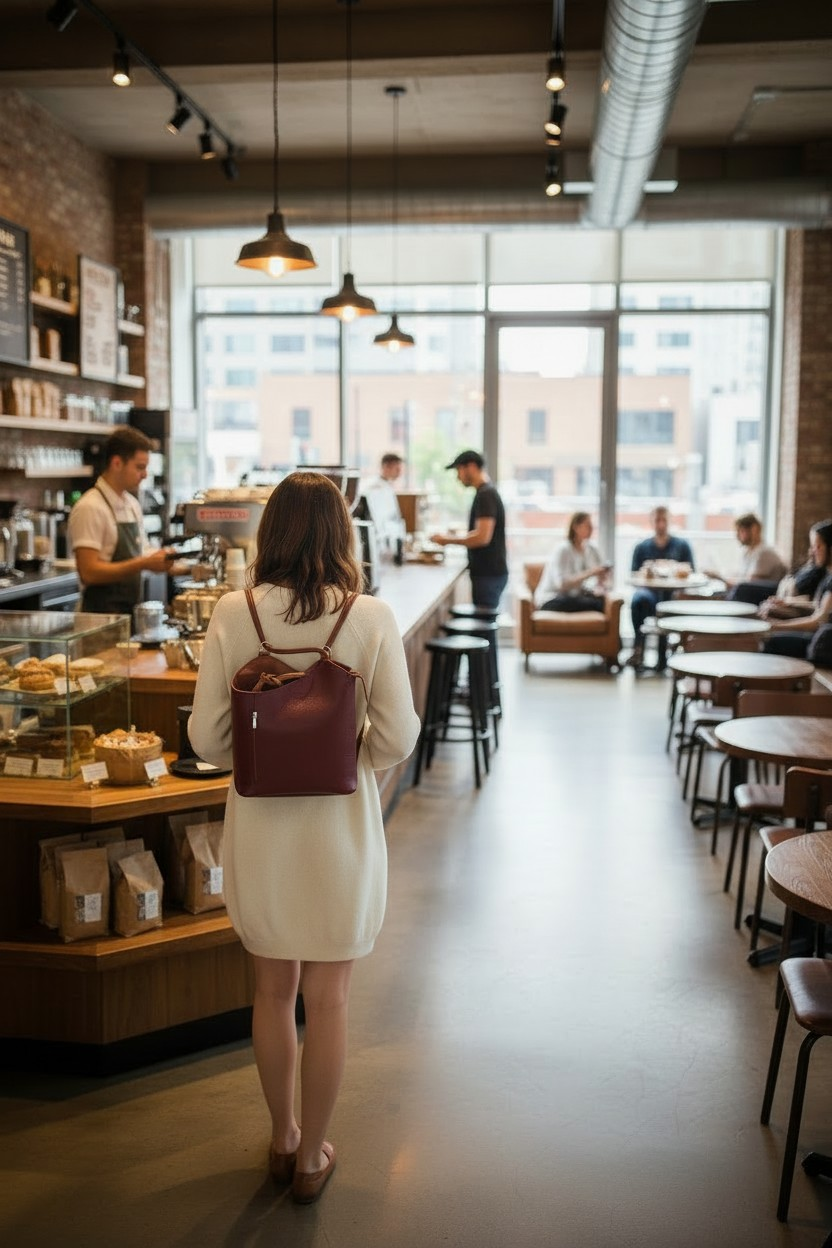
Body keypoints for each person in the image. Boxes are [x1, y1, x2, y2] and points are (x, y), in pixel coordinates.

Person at [188, 471, 420, 1205]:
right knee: (331, 998)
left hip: (259, 831)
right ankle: (316, 1153)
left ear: (271, 532)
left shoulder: (234, 610)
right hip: (339, 835)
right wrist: (345, 755)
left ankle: (284, 1138)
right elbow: (399, 736)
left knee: (271, 989)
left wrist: (263, 751)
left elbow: (206, 738)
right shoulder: (371, 617)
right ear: (342, 533)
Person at [68, 425, 178, 615]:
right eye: (140, 467)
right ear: (117, 463)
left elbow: (141, 551)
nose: (145, 475)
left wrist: (174, 562)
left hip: (128, 614)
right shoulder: (90, 506)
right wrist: (143, 563)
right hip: (98, 618)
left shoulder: (131, 504)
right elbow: (88, 572)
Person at [430, 450, 507, 609]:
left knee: (484, 626)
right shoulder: (485, 492)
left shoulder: (485, 495)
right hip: (490, 573)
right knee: (484, 624)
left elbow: (482, 537)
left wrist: (446, 540)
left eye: (459, 470)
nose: (458, 477)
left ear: (471, 467)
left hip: (488, 574)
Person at [628, 505, 695, 670]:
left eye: (664, 520)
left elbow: (691, 572)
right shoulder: (641, 547)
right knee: (638, 600)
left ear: (670, 521)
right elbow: (634, 575)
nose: (661, 524)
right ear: (651, 522)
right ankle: (638, 648)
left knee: (668, 601)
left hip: (675, 592)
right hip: (649, 592)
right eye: (657, 520)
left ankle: (664, 656)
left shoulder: (682, 546)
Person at [761, 518, 832, 658]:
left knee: (771, 641)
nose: (813, 552)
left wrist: (777, 626)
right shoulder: (828, 575)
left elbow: (819, 620)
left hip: (823, 643)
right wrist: (788, 602)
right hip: (819, 637)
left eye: (818, 547)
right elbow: (820, 605)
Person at [534, 511, 610, 612]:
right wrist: (591, 573)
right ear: (575, 527)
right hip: (552, 599)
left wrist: (600, 576)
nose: (591, 529)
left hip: (571, 597)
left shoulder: (587, 549)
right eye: (587, 525)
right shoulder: (563, 549)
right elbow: (561, 584)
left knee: (601, 600)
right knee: (595, 604)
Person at [706, 512, 787, 604]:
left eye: (741, 531)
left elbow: (748, 585)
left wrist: (719, 578)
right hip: (746, 594)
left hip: (760, 597)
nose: (737, 536)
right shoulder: (748, 552)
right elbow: (740, 578)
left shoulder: (765, 553)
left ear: (754, 529)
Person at [361, 452, 405, 555]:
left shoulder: (387, 487)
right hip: (378, 542)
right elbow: (379, 520)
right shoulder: (373, 488)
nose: (399, 473)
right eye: (397, 469)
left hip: (387, 542)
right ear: (386, 467)